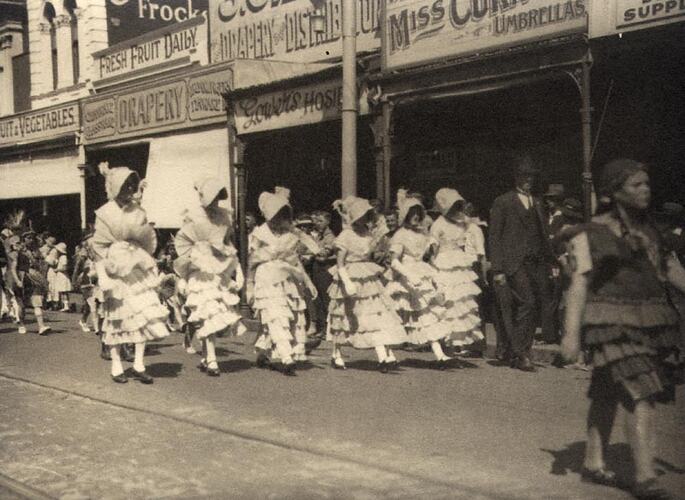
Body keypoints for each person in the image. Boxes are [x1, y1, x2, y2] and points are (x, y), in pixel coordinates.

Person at [561, 159, 683, 500]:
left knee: (607, 389)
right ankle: (645, 477)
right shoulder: (588, 234)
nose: (646, 190)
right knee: (640, 391)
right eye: (636, 185)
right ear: (615, 193)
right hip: (609, 324)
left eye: (647, 183)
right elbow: (579, 285)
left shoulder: (651, 232)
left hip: (650, 322)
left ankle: (593, 461)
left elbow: (671, 271)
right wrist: (570, 336)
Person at [90, 162, 170, 384]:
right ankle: (116, 365)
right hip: (116, 267)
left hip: (137, 265)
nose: (128, 191)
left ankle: (138, 364)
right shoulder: (105, 213)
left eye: (131, 187)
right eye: (124, 187)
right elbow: (99, 247)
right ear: (115, 188)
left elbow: (146, 239)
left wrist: (149, 263)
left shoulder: (138, 210)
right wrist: (104, 275)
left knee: (142, 313)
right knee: (117, 317)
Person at [174, 177, 246, 377]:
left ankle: (207, 357)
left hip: (218, 268)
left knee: (214, 313)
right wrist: (183, 276)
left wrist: (236, 269)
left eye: (218, 198)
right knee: (206, 313)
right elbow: (184, 247)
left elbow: (228, 244)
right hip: (199, 271)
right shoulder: (193, 216)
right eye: (212, 198)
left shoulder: (224, 217)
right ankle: (212, 359)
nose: (215, 203)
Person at [488, 157, 556, 371]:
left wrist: (551, 261)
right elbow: (495, 236)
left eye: (531, 177)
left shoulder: (536, 202)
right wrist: (498, 269)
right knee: (527, 302)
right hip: (514, 263)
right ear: (516, 178)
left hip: (536, 262)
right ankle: (520, 353)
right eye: (524, 176)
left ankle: (518, 350)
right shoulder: (503, 201)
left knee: (535, 307)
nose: (528, 180)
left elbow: (543, 234)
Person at [327, 196, 407, 372]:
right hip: (351, 276)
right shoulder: (345, 235)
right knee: (345, 316)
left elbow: (372, 252)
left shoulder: (368, 234)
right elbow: (340, 262)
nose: (365, 218)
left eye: (367, 215)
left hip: (368, 278)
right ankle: (336, 353)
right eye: (363, 215)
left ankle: (384, 356)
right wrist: (347, 282)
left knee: (375, 315)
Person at [249, 187, 319, 375]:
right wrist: (249, 286)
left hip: (288, 278)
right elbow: (252, 261)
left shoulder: (290, 235)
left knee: (286, 316)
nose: (281, 219)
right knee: (275, 314)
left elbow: (294, 260)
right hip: (267, 277)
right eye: (277, 214)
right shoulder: (260, 233)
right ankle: (286, 356)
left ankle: (263, 354)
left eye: (283, 214)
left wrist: (308, 282)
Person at [386, 190, 451, 367]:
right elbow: (393, 261)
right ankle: (387, 354)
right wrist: (409, 275)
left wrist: (435, 269)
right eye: (412, 214)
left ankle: (439, 354)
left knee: (426, 313)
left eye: (418, 213)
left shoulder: (423, 234)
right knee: (397, 316)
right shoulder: (400, 235)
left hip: (421, 274)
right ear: (405, 215)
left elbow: (429, 256)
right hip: (404, 278)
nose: (415, 217)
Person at [430, 188, 484, 352]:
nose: (456, 209)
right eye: (453, 206)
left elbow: (473, 229)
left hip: (460, 263)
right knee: (449, 302)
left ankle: (458, 342)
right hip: (444, 263)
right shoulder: (438, 224)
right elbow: (433, 249)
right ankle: (446, 341)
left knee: (461, 302)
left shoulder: (461, 221)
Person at [53, 242, 72, 312]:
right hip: (60, 276)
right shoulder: (61, 257)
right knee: (62, 291)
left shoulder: (63, 257)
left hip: (63, 276)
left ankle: (66, 306)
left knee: (64, 291)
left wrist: (57, 269)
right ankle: (65, 305)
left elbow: (64, 268)